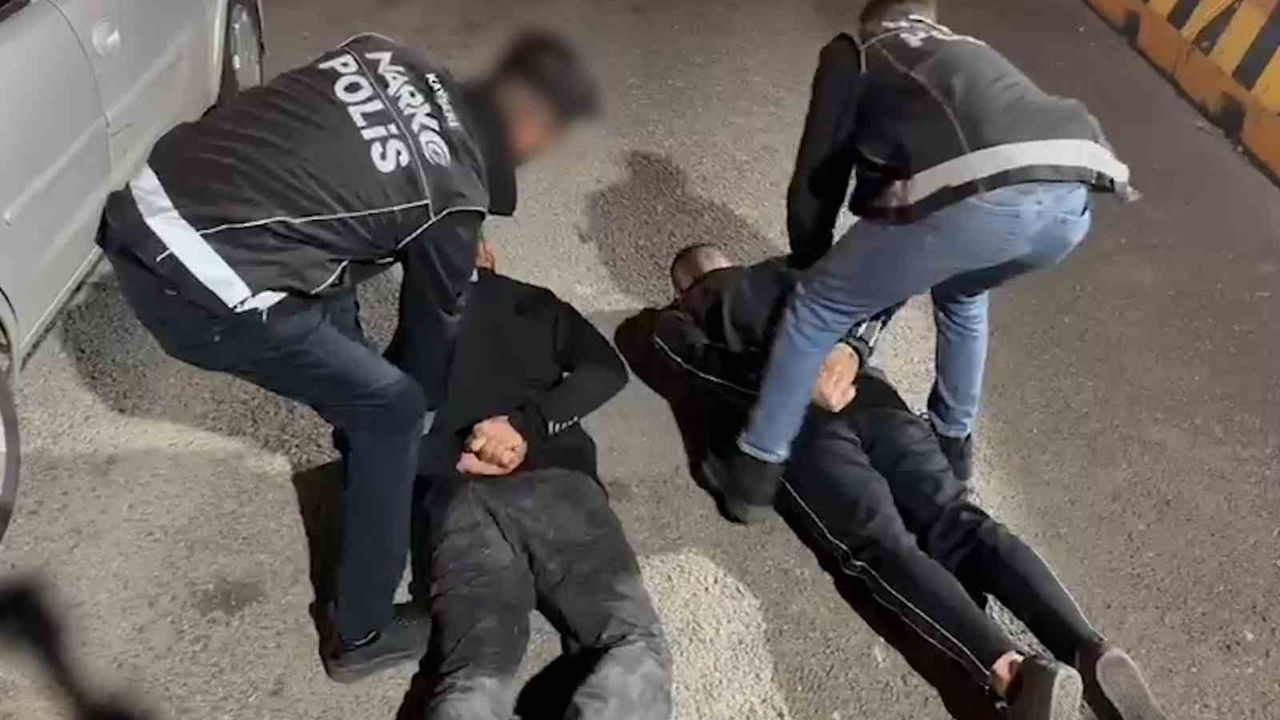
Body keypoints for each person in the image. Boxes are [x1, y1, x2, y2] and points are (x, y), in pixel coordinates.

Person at [96, 31, 599, 681]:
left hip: (153, 195)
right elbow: (431, 338)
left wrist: (451, 234)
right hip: (193, 286)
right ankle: (361, 633)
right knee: (393, 410)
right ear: (534, 131)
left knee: (344, 266)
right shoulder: (449, 201)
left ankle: (364, 450)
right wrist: (427, 430)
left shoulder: (389, 53)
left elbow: (354, 168)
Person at [616, 244, 1167, 720]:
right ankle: (1087, 648)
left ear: (682, 287)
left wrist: (789, 377)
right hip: (875, 401)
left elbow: (694, 365)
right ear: (732, 259)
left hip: (798, 428)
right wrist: (844, 355)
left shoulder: (675, 318)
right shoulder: (796, 269)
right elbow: (870, 296)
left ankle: (1016, 677)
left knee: (881, 546)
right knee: (959, 520)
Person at [722, 0, 1133, 517]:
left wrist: (814, 266)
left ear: (871, 17)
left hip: (987, 194)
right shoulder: (960, 52)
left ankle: (753, 472)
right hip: (1073, 197)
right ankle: (952, 444)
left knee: (816, 305)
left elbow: (817, 180)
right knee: (963, 292)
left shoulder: (859, 54)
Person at [395, 248, 672, 720]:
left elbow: (365, 434)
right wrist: (526, 426)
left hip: (454, 500)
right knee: (629, 641)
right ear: (488, 254)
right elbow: (606, 371)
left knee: (473, 670)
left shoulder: (408, 328)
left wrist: (454, 457)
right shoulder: (534, 303)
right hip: (554, 481)